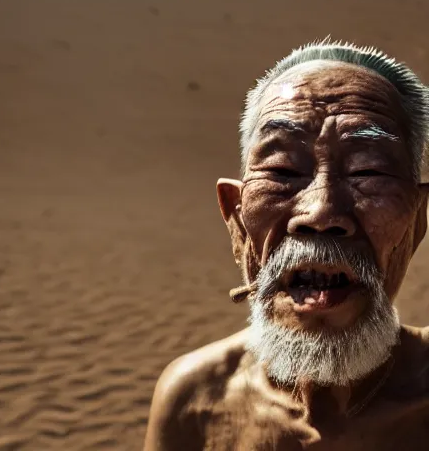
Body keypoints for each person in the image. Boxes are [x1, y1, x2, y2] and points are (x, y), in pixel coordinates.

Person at [143, 39, 429, 450]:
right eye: (283, 170)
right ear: (236, 216)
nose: (320, 213)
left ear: (417, 220)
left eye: (367, 171)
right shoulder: (193, 401)